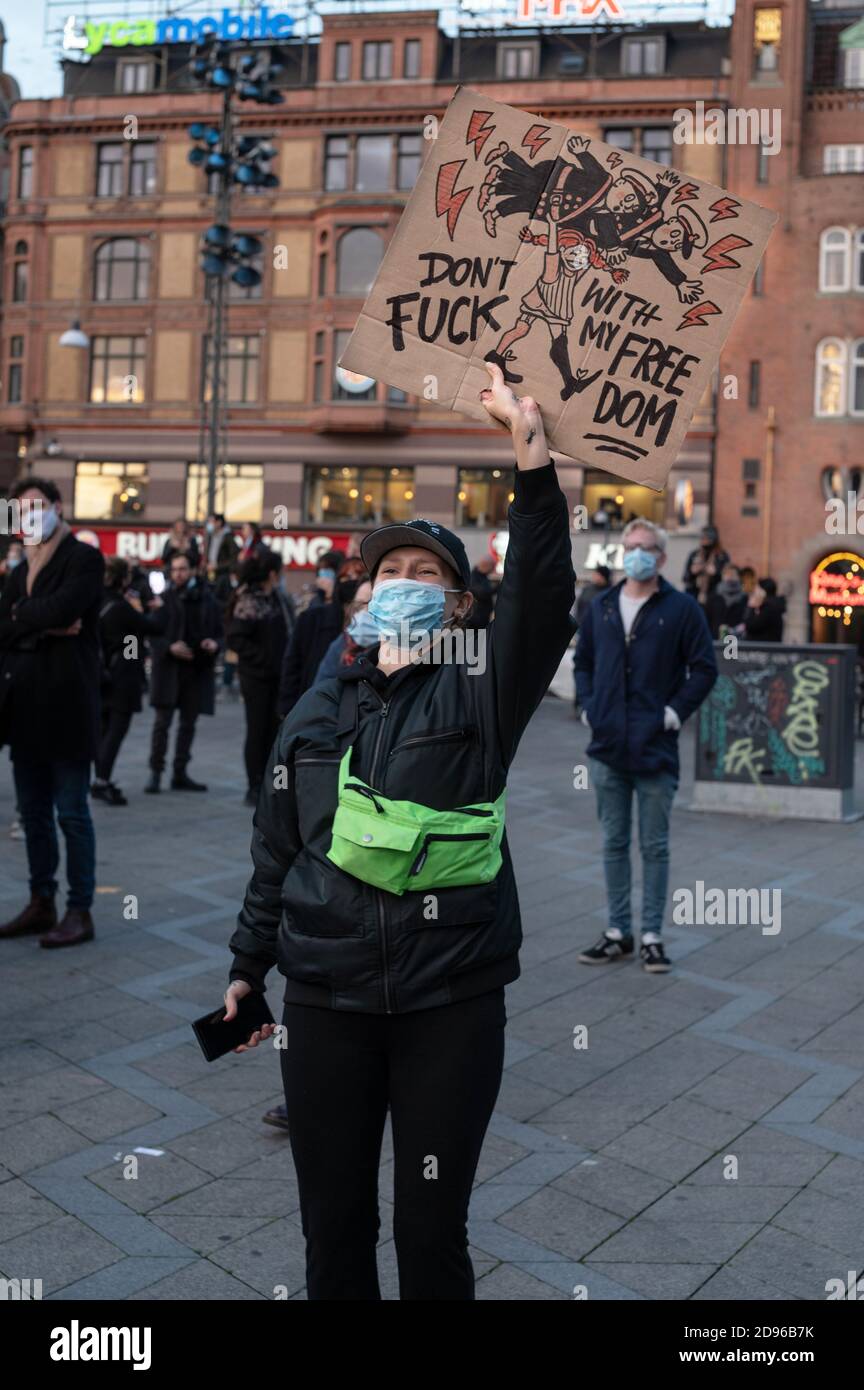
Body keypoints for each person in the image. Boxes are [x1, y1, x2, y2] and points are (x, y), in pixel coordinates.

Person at [221, 360, 575, 1300]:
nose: (404, 585)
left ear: (460, 605)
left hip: (448, 1001)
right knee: (333, 1229)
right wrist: (246, 969)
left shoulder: (481, 688)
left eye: (427, 574)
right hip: (326, 1002)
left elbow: (541, 597)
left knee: (430, 1232)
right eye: (389, 573)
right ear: (364, 597)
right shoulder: (314, 710)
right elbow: (277, 852)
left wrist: (529, 457)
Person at [575, 517, 717, 973]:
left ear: (661, 556)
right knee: (614, 842)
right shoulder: (602, 605)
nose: (635, 553)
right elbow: (584, 662)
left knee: (654, 846)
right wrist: (588, 708)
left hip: (656, 748)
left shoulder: (681, 608)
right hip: (608, 747)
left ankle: (652, 934)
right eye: (629, 545)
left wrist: (673, 714)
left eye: (645, 547)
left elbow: (704, 668)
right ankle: (619, 932)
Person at [0, 478, 104, 948]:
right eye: (21, 510)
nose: (29, 517)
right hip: (23, 710)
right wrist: (43, 623)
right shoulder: (18, 569)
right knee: (34, 814)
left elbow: (67, 606)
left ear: (58, 508)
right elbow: (6, 625)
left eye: (37, 507)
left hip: (67, 707)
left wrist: (28, 617)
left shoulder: (82, 556)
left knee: (72, 813)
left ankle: (79, 910)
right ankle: (41, 901)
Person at [145, 553, 222, 794]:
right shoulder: (163, 598)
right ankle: (156, 772)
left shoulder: (206, 599)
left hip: (195, 669)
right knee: (162, 724)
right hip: (168, 669)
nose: (179, 573)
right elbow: (150, 632)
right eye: (175, 569)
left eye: (183, 569)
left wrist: (214, 644)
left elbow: (220, 632)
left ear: (191, 570)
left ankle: (179, 772)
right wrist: (169, 647)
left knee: (188, 724)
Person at [92, 558, 166, 806]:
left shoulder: (97, 601)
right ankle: (101, 780)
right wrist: (155, 607)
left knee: (104, 729)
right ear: (123, 579)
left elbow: (131, 639)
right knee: (115, 731)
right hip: (122, 677)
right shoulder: (121, 607)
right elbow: (153, 627)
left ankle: (99, 777)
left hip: (104, 673)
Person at [225, 551, 291, 806]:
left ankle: (270, 781)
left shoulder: (277, 598)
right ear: (272, 574)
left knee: (274, 730)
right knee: (257, 730)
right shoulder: (249, 600)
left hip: (277, 676)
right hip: (256, 678)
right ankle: (253, 785)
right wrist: (264, 658)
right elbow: (236, 638)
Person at [277, 562, 362, 717]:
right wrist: (288, 707)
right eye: (346, 577)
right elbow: (293, 663)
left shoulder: (375, 633)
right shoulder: (312, 618)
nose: (352, 581)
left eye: (359, 576)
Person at [312, 579, 374, 685]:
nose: (364, 612)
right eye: (359, 605)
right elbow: (320, 690)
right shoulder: (342, 644)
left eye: (372, 605)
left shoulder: (400, 650)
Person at [682, 524, 729, 598]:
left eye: (705, 538)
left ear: (713, 539)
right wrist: (692, 572)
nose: (702, 540)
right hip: (694, 594)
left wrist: (716, 573)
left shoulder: (722, 556)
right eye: (701, 537)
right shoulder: (694, 554)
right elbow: (685, 578)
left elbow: (727, 581)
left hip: (714, 596)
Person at [705, 562, 748, 638]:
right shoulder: (714, 596)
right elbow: (707, 619)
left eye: (732, 575)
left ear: (738, 577)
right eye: (726, 574)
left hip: (737, 641)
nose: (729, 577)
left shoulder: (745, 597)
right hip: (716, 640)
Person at [205, 512, 237, 603]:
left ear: (219, 522)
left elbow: (233, 558)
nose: (209, 525)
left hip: (223, 575)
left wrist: (218, 566)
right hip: (211, 573)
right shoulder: (212, 536)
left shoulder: (228, 538)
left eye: (211, 522)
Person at [744, 576, 785, 642]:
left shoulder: (769, 608)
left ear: (763, 592)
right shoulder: (773, 605)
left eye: (757, 589)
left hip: (764, 649)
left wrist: (751, 607)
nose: (755, 592)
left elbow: (750, 626)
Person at [574, 564, 612, 628]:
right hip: (582, 625)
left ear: (603, 577)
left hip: (600, 628)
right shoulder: (587, 589)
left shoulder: (610, 593)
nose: (594, 576)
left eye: (597, 574)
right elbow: (579, 607)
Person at [467, 554, 496, 629]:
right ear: (486, 565)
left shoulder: (483, 576)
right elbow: (481, 592)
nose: (493, 569)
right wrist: (497, 588)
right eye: (492, 566)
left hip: (482, 618)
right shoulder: (473, 577)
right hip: (475, 619)